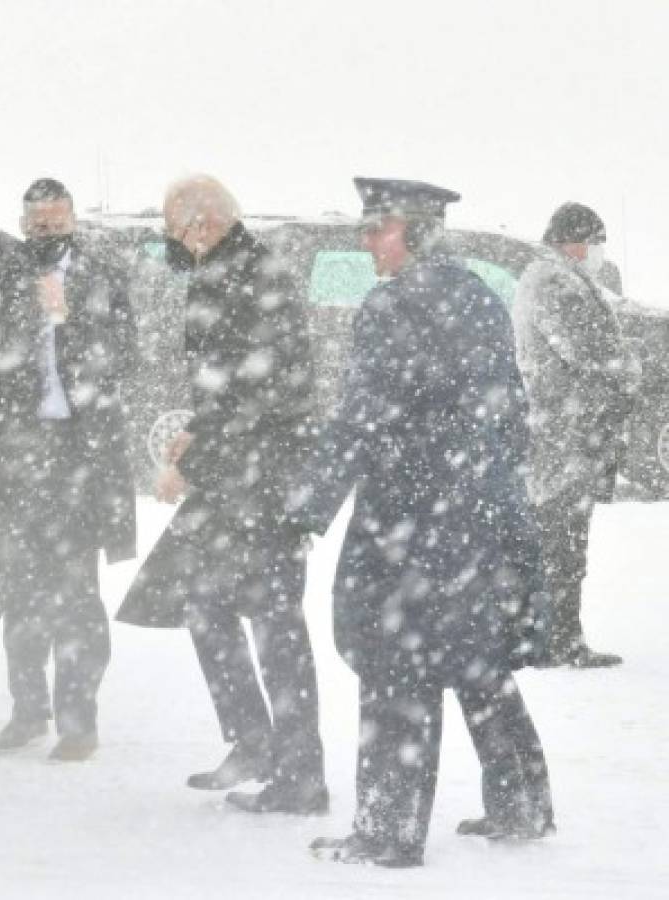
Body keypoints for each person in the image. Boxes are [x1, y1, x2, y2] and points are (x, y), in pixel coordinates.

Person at [294, 178, 554, 867]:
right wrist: (494, 487)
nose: (364, 241)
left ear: (412, 232)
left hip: (411, 516)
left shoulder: (391, 303)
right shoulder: (477, 295)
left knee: (395, 667)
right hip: (479, 511)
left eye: (374, 229)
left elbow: (359, 415)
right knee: (475, 659)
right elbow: (510, 407)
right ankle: (520, 806)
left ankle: (387, 831)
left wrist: (308, 506)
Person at [116, 175, 327, 813]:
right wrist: (194, 437)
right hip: (236, 474)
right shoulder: (225, 272)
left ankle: (301, 776)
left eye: (175, 230)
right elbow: (224, 388)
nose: (173, 242)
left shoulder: (251, 276)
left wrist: (195, 459)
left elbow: (260, 392)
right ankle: (253, 743)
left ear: (203, 224)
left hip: (263, 482)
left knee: (275, 625)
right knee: (205, 604)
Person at [0, 177, 137, 762]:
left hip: (80, 456)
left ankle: (79, 723)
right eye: (37, 223)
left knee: (76, 595)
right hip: (24, 455)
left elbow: (128, 353)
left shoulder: (102, 272)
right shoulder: (5, 271)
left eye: (57, 221)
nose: (47, 230)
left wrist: (69, 319)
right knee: (20, 593)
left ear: (73, 220)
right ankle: (27, 712)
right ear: (24, 224)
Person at [512, 203, 638, 668]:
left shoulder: (554, 279)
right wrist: (627, 367)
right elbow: (592, 352)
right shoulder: (554, 282)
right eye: (598, 243)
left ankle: (547, 637)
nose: (601, 254)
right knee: (560, 546)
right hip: (562, 435)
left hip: (564, 433)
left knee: (558, 542)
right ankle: (556, 641)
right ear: (578, 243)